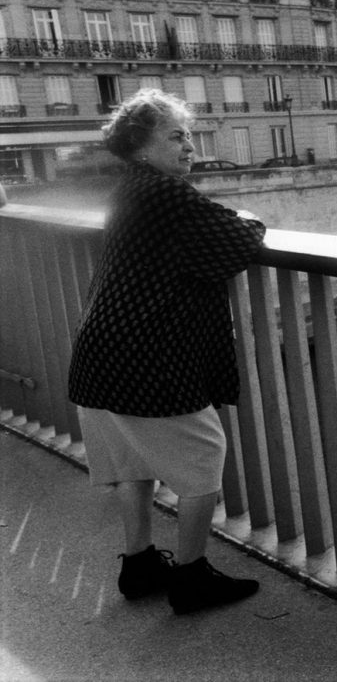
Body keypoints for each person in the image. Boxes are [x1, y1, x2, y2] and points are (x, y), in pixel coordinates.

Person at [68, 88, 267, 615]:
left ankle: (139, 565)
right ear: (141, 145)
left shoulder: (129, 189)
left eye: (190, 136)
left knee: (133, 460)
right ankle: (191, 578)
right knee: (204, 457)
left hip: (102, 349)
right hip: (146, 356)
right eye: (177, 136)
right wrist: (249, 219)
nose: (190, 147)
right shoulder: (166, 193)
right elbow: (236, 241)